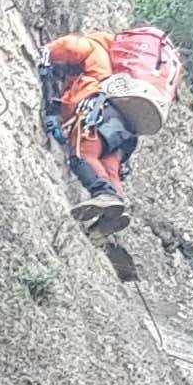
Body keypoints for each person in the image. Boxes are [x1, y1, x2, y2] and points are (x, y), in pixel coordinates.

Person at [39, 31, 141, 233]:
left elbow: (69, 47)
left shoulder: (94, 46)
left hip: (98, 112)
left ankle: (104, 194)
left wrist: (46, 51)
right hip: (124, 127)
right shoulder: (123, 67)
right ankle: (114, 210)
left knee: (83, 155)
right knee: (109, 165)